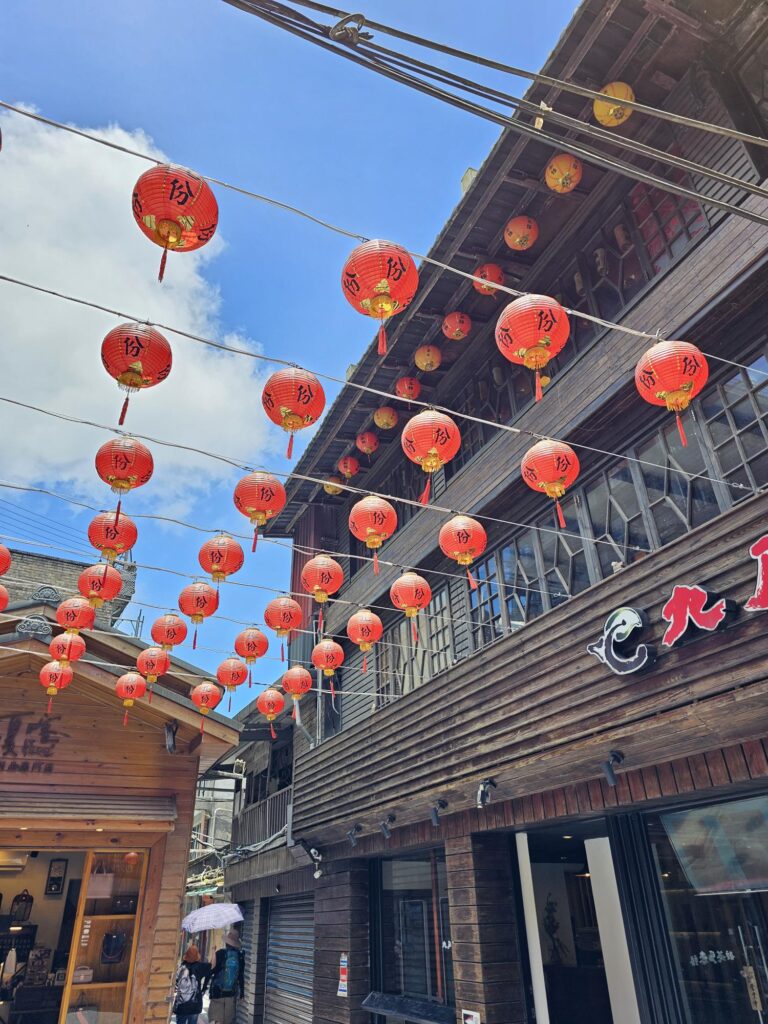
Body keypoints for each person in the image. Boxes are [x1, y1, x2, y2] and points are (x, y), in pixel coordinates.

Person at [207, 930, 245, 1024]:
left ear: (226, 942)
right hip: (231, 993)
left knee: (216, 1020)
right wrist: (242, 994)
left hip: (217, 992)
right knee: (228, 1020)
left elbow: (211, 970)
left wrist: (204, 988)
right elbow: (241, 976)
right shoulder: (240, 956)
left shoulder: (219, 953)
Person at [173, 944, 211, 1024]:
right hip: (194, 1006)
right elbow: (212, 965)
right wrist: (214, 951)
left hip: (181, 1006)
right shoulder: (200, 967)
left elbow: (175, 982)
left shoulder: (181, 967)